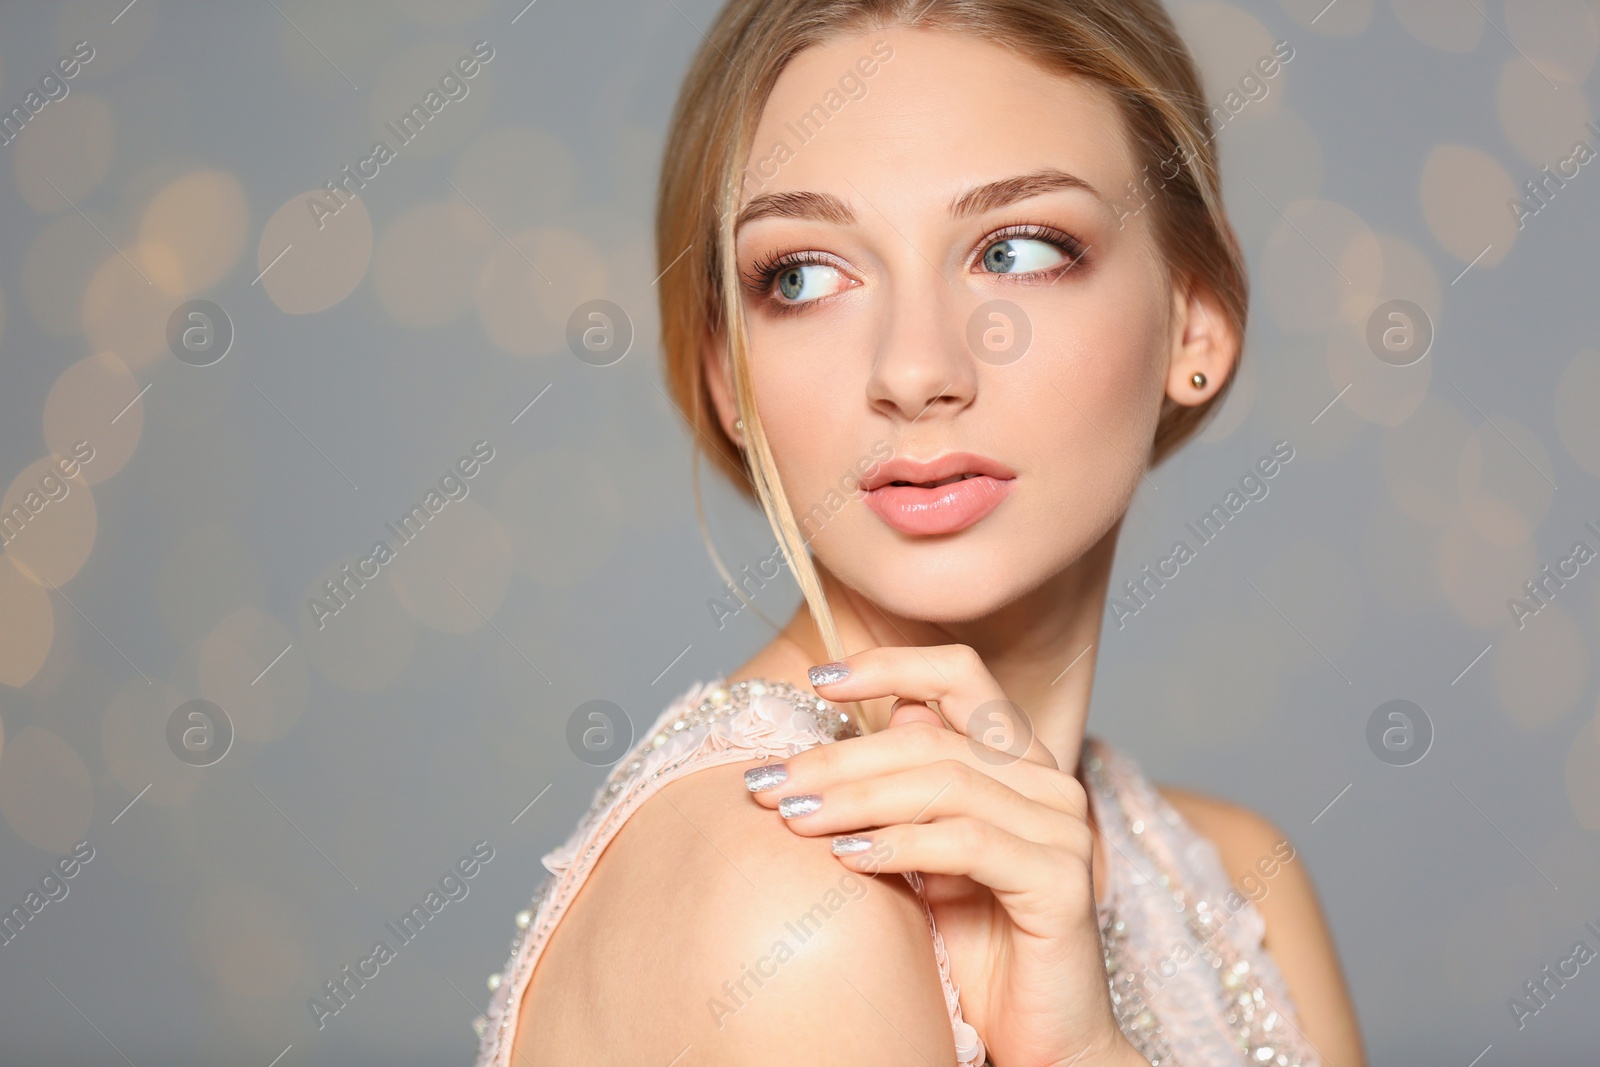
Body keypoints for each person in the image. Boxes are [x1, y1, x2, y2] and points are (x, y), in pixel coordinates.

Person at [473, 1, 1364, 1063]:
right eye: (801, 275)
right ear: (726, 374)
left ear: (1195, 320)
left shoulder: (1227, 877)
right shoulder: (785, 906)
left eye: (1018, 249)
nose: (915, 370)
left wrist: (1081, 1049)